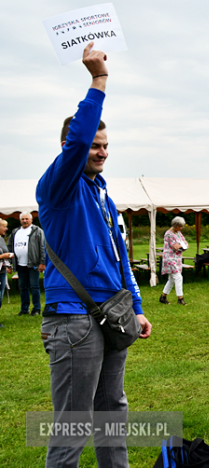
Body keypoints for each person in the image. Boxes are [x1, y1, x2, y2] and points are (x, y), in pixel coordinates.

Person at [37, 42, 152, 468]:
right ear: (71, 147)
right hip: (72, 319)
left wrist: (137, 307)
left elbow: (120, 259)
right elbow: (77, 138)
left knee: (112, 413)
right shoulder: (58, 188)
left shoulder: (102, 195)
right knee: (73, 422)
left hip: (111, 314)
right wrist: (98, 80)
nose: (101, 151)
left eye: (105, 145)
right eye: (92, 145)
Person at [8, 212, 46, 316]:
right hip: (20, 264)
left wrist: (42, 262)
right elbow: (10, 247)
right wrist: (10, 263)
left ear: (31, 220)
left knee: (34, 286)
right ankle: (24, 309)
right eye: (23, 219)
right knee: (22, 286)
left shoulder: (38, 231)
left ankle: (36, 309)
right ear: (20, 220)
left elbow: (43, 247)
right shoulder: (15, 231)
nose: (25, 221)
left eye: (27, 219)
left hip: (33, 263)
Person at [160, 216, 189, 306]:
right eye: (179, 226)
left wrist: (181, 245)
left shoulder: (178, 233)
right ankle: (180, 298)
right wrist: (182, 245)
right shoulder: (168, 234)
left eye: (181, 226)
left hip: (177, 258)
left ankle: (163, 297)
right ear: (175, 225)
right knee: (178, 277)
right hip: (170, 258)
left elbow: (186, 244)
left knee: (172, 279)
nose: (181, 228)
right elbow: (175, 246)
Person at [0, 219, 14, 329]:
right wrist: (2, 257)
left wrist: (8, 265)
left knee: (0, 297)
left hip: (2, 271)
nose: (6, 229)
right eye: (4, 226)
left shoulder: (1, 239)